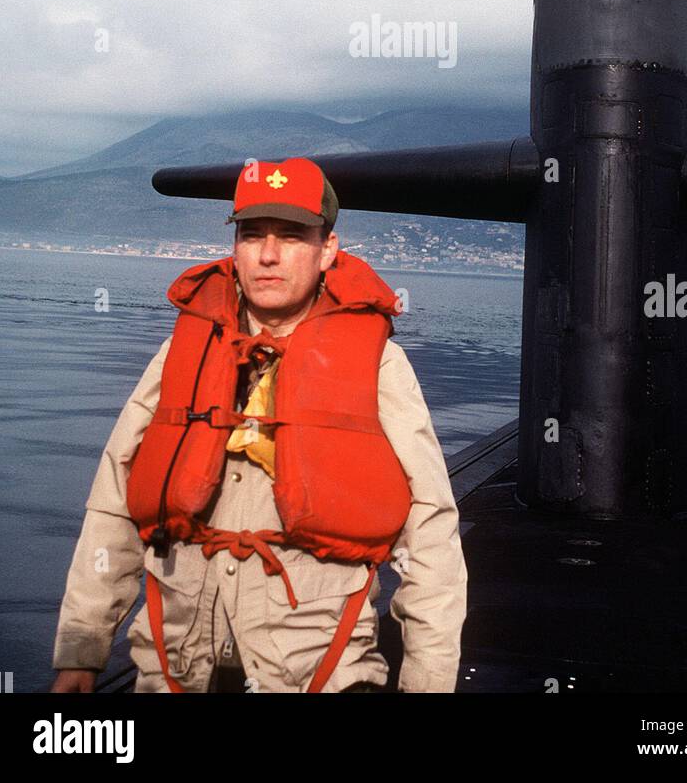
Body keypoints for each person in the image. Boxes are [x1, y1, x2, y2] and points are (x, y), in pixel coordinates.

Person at [50, 158, 467, 694]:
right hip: (175, 667)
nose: (268, 255)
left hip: (316, 671)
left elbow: (431, 529)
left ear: (328, 250)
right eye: (252, 235)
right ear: (236, 248)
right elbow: (113, 498)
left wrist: (428, 680)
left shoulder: (378, 364)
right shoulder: (183, 354)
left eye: (292, 237)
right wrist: (81, 650)